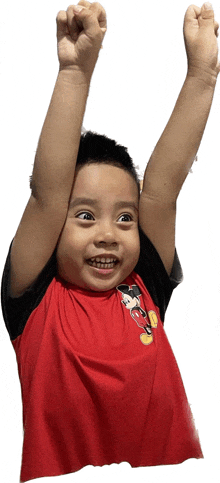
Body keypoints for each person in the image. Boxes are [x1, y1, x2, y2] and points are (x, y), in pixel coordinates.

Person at [1, 1, 219, 482]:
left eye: (125, 218)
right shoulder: (35, 299)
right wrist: (76, 71)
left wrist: (203, 75)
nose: (108, 234)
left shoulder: (146, 285)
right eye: (84, 216)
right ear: (53, 229)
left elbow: (162, 189)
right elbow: (46, 194)